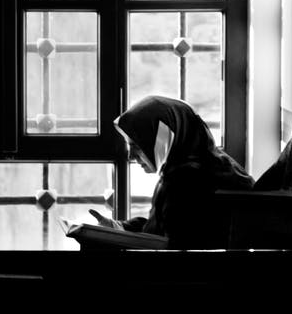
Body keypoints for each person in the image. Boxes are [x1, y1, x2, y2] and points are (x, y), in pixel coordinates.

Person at [89, 94, 254, 246]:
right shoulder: (219, 165)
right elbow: (162, 229)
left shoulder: (183, 182)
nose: (132, 156)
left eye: (137, 146)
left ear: (162, 139)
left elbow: (167, 245)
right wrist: (117, 227)